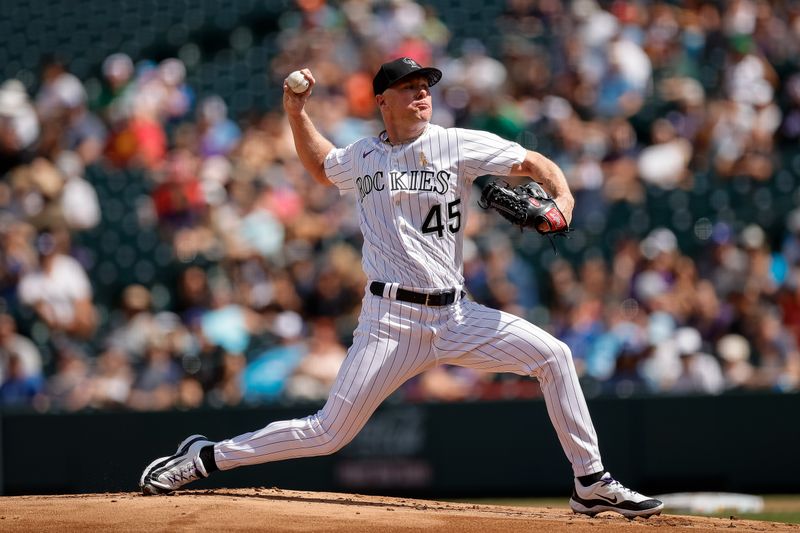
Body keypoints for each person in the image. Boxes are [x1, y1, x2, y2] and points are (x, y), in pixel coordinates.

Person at [140, 58, 663, 518]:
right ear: (382, 101)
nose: (421, 93)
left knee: (553, 356)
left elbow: (533, 163)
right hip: (389, 322)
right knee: (328, 434)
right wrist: (296, 113)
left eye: (425, 85)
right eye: (409, 87)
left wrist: (564, 198)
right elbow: (323, 166)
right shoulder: (364, 155)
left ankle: (590, 482)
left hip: (457, 316)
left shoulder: (456, 143)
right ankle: (206, 456)